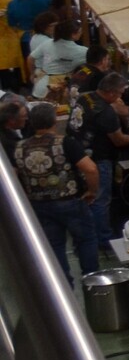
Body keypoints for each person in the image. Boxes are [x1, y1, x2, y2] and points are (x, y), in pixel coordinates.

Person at [15, 100, 100, 278]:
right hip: (70, 201)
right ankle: (91, 280)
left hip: (39, 204)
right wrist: (92, 191)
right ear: (54, 121)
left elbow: (18, 176)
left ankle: (63, 285)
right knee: (86, 240)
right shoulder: (65, 143)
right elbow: (90, 169)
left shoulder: (20, 147)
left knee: (54, 246)